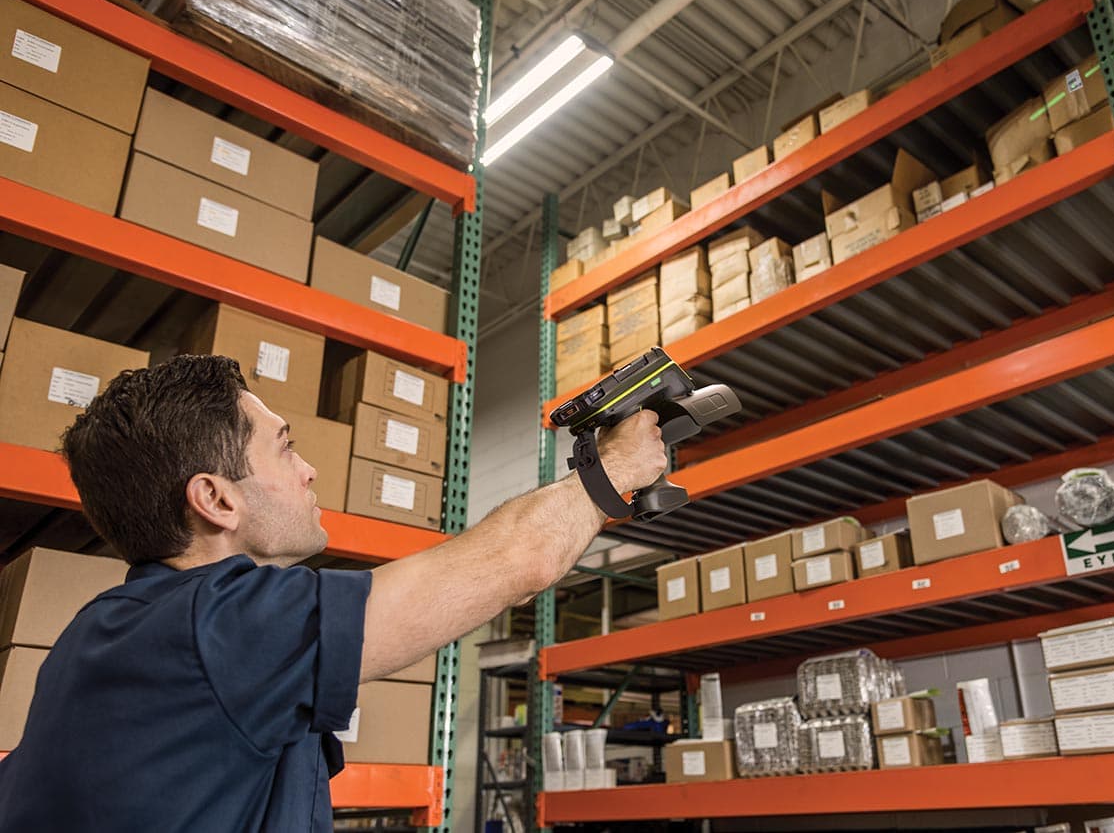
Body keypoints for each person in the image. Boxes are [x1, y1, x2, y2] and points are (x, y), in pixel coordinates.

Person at [0, 354, 667, 832]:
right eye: (285, 449)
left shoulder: (113, 631)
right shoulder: (215, 628)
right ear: (216, 498)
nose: (310, 469)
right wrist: (615, 471)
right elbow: (524, 561)